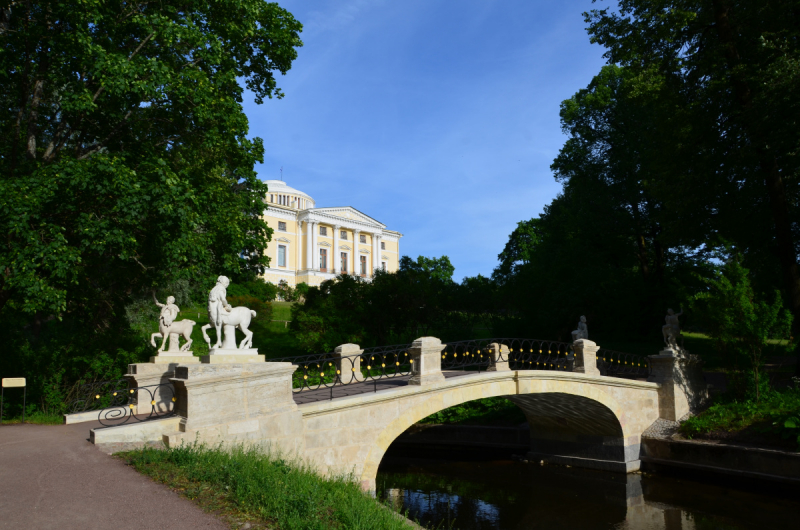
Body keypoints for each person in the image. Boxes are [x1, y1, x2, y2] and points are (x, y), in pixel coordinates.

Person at [207, 276, 233, 348]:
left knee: (216, 324)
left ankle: (219, 341)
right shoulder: (221, 288)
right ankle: (219, 341)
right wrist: (227, 305)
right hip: (216, 309)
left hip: (210, 309)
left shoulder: (214, 288)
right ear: (224, 282)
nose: (227, 285)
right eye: (227, 283)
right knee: (218, 325)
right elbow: (223, 299)